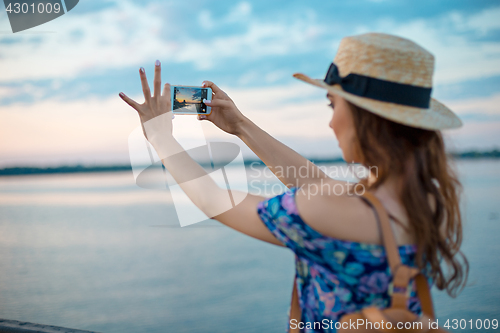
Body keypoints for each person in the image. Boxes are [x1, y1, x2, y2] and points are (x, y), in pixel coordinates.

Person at [119, 32, 469, 332]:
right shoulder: (426, 198)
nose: (331, 124)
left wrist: (160, 137)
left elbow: (213, 201)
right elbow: (319, 185)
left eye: (333, 105)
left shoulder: (333, 209)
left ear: (366, 117)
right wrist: (240, 125)